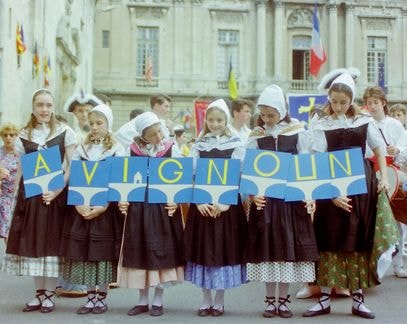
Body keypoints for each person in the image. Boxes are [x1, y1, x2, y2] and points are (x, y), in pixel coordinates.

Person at [303, 70, 391, 319]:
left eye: (344, 102)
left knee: (356, 242)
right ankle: (323, 299)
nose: (339, 106)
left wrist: (383, 177)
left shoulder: (364, 122)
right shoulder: (321, 124)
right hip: (330, 189)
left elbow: (379, 150)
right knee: (328, 241)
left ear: (351, 100)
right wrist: (330, 194)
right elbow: (317, 161)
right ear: (328, 99)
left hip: (360, 188)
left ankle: (358, 299)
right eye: (334, 101)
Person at [244, 85, 318, 319]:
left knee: (286, 249)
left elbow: (305, 164)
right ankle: (269, 300)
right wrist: (253, 194)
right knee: (268, 249)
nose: (267, 119)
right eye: (263, 115)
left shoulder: (297, 131)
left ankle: (284, 300)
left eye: (271, 115)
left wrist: (308, 194)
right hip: (266, 201)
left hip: (290, 200)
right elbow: (248, 167)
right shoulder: (256, 135)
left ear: (281, 111)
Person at [2, 88, 77, 313]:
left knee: (51, 244)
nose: (44, 109)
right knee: (34, 243)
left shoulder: (65, 132)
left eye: (48, 105)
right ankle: (39, 294)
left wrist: (57, 191)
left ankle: (50, 294)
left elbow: (71, 167)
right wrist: (15, 197)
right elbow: (21, 170)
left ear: (53, 108)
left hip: (56, 197)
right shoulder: (24, 134)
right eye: (40, 105)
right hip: (32, 197)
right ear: (33, 108)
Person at [183, 99, 247, 317]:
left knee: (222, 252)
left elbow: (238, 176)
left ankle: (219, 300)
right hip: (203, 207)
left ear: (226, 120)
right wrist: (199, 201)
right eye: (211, 119)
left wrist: (226, 203)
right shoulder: (199, 145)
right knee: (204, 252)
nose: (215, 123)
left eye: (219, 119)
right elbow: (192, 176)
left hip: (225, 207)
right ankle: (205, 299)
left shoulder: (236, 144)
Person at [60, 104, 125, 314]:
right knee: (86, 252)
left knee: (102, 253)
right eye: (92, 123)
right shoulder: (82, 148)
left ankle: (102, 296)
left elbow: (118, 179)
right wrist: (79, 204)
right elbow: (76, 177)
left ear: (108, 124)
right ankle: (90, 296)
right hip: (83, 207)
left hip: (105, 209)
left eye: (100, 123)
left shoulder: (117, 149)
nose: (95, 127)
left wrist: (103, 205)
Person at [117, 111, 184, 317]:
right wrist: (123, 197)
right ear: (143, 136)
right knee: (141, 251)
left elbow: (180, 175)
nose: (158, 138)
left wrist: (176, 199)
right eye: (153, 134)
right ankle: (142, 299)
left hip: (162, 206)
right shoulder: (132, 150)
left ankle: (158, 299)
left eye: (159, 132)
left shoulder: (171, 148)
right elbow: (124, 176)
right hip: (139, 206)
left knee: (160, 251)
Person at [363, 86, 407, 278]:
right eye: (369, 103)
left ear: (383, 103)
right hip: (373, 173)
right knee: (375, 219)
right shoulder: (364, 124)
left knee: (398, 220)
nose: (372, 106)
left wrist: (397, 151)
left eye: (375, 102)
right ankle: (373, 265)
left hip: (392, 172)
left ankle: (398, 265)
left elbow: (404, 148)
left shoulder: (395, 125)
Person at [0, 123, 20, 245]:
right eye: (5, 135)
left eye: (12, 135)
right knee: (7, 229)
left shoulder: (21, 152)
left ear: (17, 136)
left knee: (14, 229)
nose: (8, 138)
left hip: (18, 195)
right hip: (3, 196)